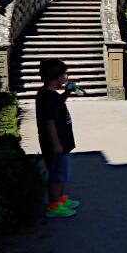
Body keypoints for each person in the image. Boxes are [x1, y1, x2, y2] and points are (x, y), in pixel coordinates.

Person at [36, 59, 79, 218]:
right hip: (57, 143)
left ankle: (60, 200)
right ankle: (54, 206)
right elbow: (49, 121)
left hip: (62, 141)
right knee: (56, 175)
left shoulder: (49, 94)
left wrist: (67, 92)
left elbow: (58, 104)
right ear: (57, 77)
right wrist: (56, 144)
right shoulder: (48, 97)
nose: (67, 77)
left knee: (61, 173)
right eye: (65, 74)